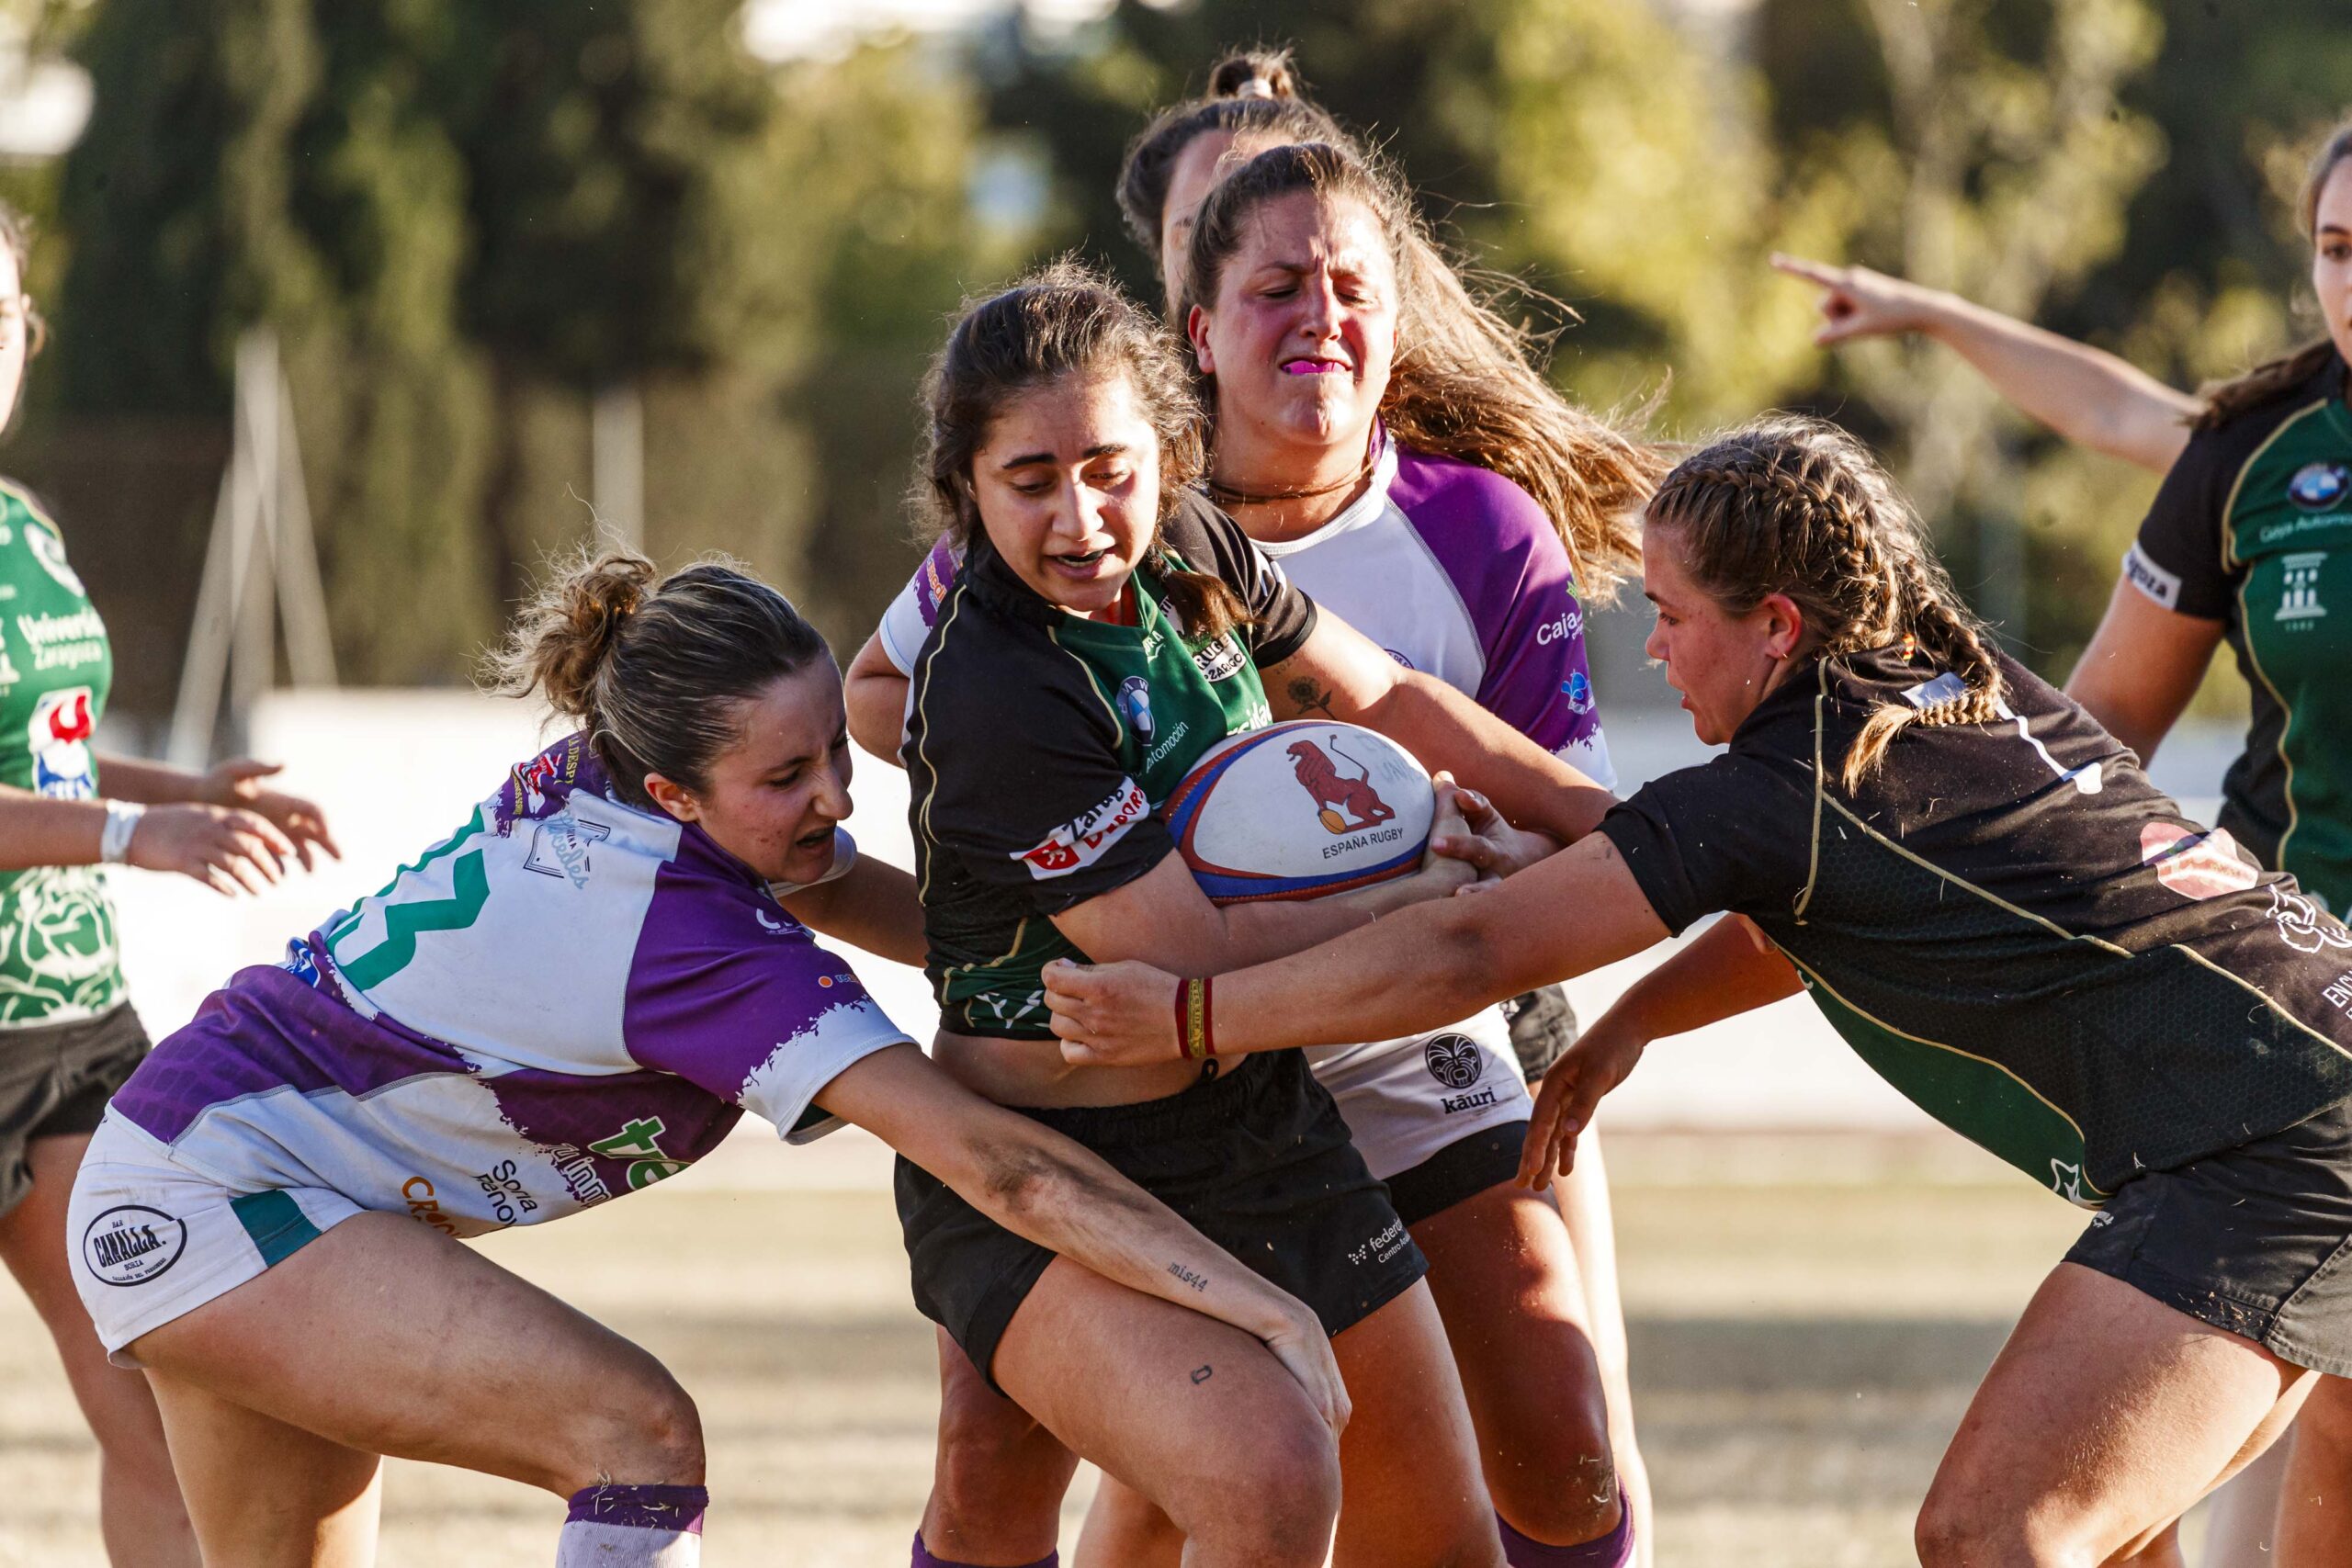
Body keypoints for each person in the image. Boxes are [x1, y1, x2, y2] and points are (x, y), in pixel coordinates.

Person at [1045, 414, 2352, 1568]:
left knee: (1990, 1535)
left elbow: (1468, 957)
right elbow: (1813, 924)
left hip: (2278, 1141)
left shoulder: (1783, 794)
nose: (1656, 649)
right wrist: (1628, 1026)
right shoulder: (1950, 690)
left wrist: (1193, 1015)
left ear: (1775, 626)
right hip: (2308, 1088)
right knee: (2107, 1545)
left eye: (1672, 614)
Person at [62, 548, 1353, 1568]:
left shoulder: (620, 780)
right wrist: (1255, 1301)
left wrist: (1158, 961)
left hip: (194, 1161)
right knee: (637, 1436)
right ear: (677, 792)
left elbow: (903, 920)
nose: (836, 800)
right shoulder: (688, 941)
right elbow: (1001, 1170)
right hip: (214, 1197)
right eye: (786, 777)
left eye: (834, 754)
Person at [848, 59, 1655, 1568]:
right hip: (1093, 1100)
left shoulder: (1218, 534)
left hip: (1301, 1071)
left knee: (1525, 1465)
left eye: (1109, 472)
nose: (1083, 514)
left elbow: (1395, 701)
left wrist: (1615, 831)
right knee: (1120, 1474)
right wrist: (1431, 885)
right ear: (1196, 328)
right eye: (1034, 481)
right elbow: (1185, 947)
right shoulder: (1002, 673)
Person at [1781, 118, 2352, 1567]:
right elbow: (2095, 738)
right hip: (2271, 1007)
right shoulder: (2265, 453)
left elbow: (2117, 411)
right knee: (2141, 1466)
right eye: (2337, 251)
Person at [0, 200, 341, 1568]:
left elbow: (44, 756)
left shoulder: (21, 521)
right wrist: (129, 844)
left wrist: (180, 794)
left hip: (73, 1025)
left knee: (155, 1396)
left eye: (0, 314)